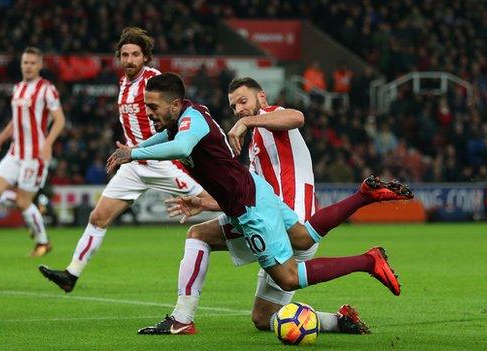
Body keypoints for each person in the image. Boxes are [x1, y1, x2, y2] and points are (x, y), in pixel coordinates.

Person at [107, 73, 413, 333]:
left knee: (289, 275)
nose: (238, 110)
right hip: (260, 197)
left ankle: (367, 261)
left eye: (243, 101)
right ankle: (339, 314)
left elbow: (297, 117)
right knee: (263, 314)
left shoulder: (262, 116)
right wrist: (137, 150)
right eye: (234, 106)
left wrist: (132, 155)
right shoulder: (199, 126)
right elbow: (175, 147)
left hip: (258, 209)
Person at [38, 27, 207, 290]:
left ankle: (254, 229)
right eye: (125, 54)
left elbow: (176, 112)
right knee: (98, 217)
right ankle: (71, 274)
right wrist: (126, 152)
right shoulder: (123, 83)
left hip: (164, 161)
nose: (129, 60)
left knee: (216, 199)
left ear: (145, 57)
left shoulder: (154, 80)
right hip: (133, 164)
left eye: (135, 55)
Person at [0, 47, 66, 257]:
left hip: (35, 156)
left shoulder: (47, 89)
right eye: (25, 63)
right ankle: (34, 207)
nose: (28, 66)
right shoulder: (18, 88)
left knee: (22, 202)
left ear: (39, 65)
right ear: (21, 65)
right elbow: (16, 121)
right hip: (14, 153)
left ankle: (43, 242)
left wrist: (48, 143)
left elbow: (60, 120)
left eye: (32, 63)